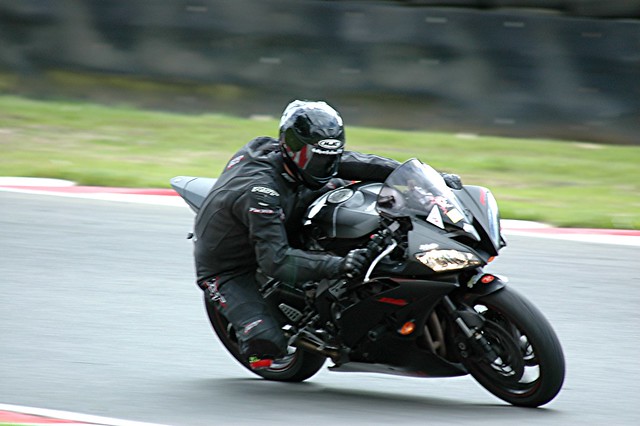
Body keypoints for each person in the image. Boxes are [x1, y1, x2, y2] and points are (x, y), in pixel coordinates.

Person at [193, 99, 461, 369]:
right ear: (291, 148)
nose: (324, 165)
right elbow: (275, 261)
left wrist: (430, 178)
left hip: (290, 209)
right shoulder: (261, 192)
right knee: (265, 349)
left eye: (329, 157)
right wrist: (339, 264)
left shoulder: (310, 161)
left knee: (366, 205)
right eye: (316, 158)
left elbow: (360, 163)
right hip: (230, 266)